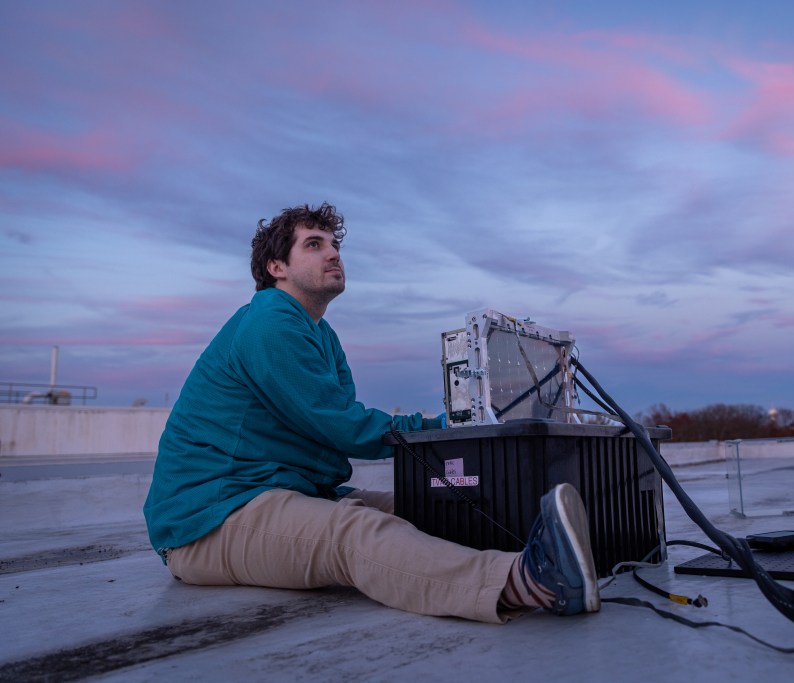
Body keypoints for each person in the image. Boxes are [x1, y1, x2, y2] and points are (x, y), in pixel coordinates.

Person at [143, 202, 599, 623]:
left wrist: (449, 435)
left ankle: (560, 551)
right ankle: (531, 581)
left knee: (427, 503)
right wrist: (440, 431)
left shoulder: (322, 335)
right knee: (354, 531)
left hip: (283, 490)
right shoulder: (268, 322)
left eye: (335, 245)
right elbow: (340, 424)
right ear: (276, 267)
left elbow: (333, 427)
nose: (333, 255)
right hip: (210, 519)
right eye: (314, 245)